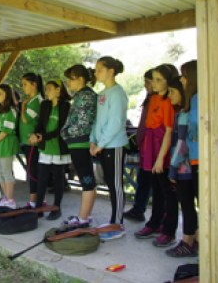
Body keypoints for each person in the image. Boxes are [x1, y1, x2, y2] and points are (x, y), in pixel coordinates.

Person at [135, 64, 178, 247]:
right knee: (156, 189)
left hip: (163, 149)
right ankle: (154, 223)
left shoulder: (169, 101)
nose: (154, 82)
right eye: (153, 79)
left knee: (168, 192)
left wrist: (160, 158)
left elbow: (168, 131)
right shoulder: (153, 98)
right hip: (151, 147)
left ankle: (169, 230)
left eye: (159, 79)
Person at [89, 56, 129, 241]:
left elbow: (115, 123)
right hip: (102, 146)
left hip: (114, 146)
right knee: (110, 184)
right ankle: (113, 221)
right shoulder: (103, 93)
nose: (96, 73)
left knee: (116, 186)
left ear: (111, 71)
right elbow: (98, 120)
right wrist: (92, 140)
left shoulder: (118, 93)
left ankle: (118, 224)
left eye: (99, 69)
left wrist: (101, 144)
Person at [166, 61, 198, 257]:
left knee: (187, 205)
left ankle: (188, 241)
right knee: (188, 206)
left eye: (172, 92)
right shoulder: (183, 111)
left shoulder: (185, 113)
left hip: (185, 169)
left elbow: (182, 145)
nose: (169, 96)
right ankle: (191, 240)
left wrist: (172, 167)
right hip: (188, 167)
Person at [60, 64, 97, 228]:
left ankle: (83, 219)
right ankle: (84, 216)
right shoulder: (81, 95)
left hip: (80, 143)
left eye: (71, 79)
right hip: (77, 143)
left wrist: (65, 133)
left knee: (87, 181)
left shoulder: (87, 96)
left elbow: (83, 123)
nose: (68, 82)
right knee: (87, 180)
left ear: (81, 79)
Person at [29, 79, 71, 220]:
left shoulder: (66, 106)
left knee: (58, 180)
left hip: (59, 148)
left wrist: (43, 136)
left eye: (49, 89)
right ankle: (39, 207)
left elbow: (62, 129)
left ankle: (56, 207)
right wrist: (36, 134)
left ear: (58, 90)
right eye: (46, 89)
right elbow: (40, 123)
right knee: (42, 179)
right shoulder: (45, 104)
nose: (47, 92)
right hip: (45, 148)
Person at [124, 69, 154, 221]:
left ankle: (155, 216)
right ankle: (138, 208)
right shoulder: (149, 98)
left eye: (148, 82)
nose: (145, 85)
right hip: (145, 146)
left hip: (153, 148)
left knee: (153, 183)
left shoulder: (159, 100)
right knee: (143, 180)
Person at [19, 73, 44, 208]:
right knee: (31, 171)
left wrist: (22, 106)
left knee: (33, 172)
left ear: (34, 84)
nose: (23, 87)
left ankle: (35, 201)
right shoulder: (31, 99)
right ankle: (34, 200)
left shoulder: (36, 101)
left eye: (25, 84)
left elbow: (25, 119)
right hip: (27, 142)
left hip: (32, 142)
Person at [0, 84, 20, 208]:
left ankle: (10, 200)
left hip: (7, 143)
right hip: (0, 143)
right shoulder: (1, 110)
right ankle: (6, 197)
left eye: (0, 94)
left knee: (6, 172)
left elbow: (5, 131)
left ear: (7, 95)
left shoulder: (11, 111)